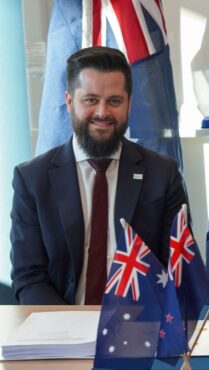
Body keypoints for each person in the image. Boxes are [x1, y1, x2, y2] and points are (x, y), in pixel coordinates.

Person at [10, 46, 188, 305]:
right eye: (91, 100)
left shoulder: (163, 174)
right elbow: (29, 276)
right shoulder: (32, 179)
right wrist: (69, 329)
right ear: (70, 102)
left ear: (129, 104)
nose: (103, 112)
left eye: (114, 101)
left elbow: (178, 265)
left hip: (139, 324)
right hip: (59, 327)